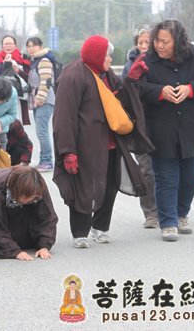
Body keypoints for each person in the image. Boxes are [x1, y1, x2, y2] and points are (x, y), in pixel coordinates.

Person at [53, 35, 153, 249]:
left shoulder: (107, 75)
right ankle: (80, 233)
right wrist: (67, 151)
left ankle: (100, 228)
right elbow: (64, 116)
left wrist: (132, 80)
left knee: (109, 186)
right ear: (96, 55)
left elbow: (121, 101)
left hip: (110, 144)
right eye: (107, 54)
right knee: (84, 187)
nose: (110, 59)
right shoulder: (74, 75)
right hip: (84, 146)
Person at [138, 20, 194, 241]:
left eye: (164, 41)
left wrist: (191, 89)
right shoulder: (147, 61)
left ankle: (181, 213)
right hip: (160, 128)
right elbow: (137, 87)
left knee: (192, 175)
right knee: (166, 177)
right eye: (157, 40)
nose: (158, 45)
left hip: (191, 128)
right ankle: (168, 222)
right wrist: (159, 92)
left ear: (178, 42)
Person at [121, 24, 159, 229]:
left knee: (165, 170)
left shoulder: (162, 62)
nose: (144, 46)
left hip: (161, 124)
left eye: (148, 41)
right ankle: (151, 213)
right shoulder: (130, 65)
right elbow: (125, 91)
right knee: (146, 171)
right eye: (140, 42)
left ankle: (169, 211)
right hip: (140, 127)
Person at [0, 166, 58, 260]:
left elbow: (47, 216)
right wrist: (15, 251)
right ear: (15, 190)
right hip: (1, 218)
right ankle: (10, 245)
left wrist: (44, 246)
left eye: (33, 198)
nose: (30, 200)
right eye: (26, 197)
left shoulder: (37, 186)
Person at [26, 36, 60, 172]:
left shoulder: (44, 60)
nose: (31, 48)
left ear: (40, 46)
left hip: (44, 100)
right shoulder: (35, 60)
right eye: (28, 46)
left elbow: (46, 81)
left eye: (33, 45)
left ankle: (47, 161)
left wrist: (40, 99)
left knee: (42, 131)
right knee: (41, 131)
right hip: (38, 100)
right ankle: (43, 160)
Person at [0, 35, 32, 125]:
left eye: (10, 43)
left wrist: (18, 70)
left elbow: (29, 78)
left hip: (21, 95)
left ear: (15, 45)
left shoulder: (24, 57)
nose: (8, 46)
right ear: (2, 46)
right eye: (6, 44)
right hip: (3, 96)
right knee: (5, 124)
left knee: (19, 126)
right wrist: (4, 66)